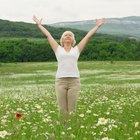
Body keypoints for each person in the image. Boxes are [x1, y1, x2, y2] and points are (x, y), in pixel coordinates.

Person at [33, 16, 105, 116]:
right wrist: (39, 25)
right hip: (60, 82)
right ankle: (63, 130)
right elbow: (48, 36)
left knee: (72, 110)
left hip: (74, 81)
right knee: (62, 110)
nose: (68, 36)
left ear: (73, 40)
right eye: (65, 35)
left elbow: (87, 37)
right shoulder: (57, 49)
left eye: (70, 35)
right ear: (62, 39)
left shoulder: (77, 49)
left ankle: (71, 129)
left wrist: (97, 26)